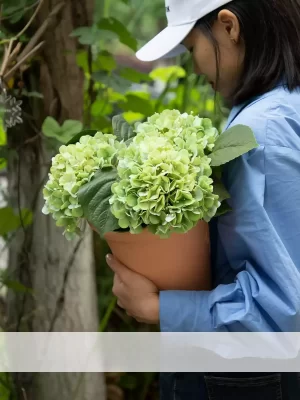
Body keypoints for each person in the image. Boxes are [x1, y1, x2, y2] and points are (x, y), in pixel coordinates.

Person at [105, 0, 300, 398]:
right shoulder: (284, 106)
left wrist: (160, 308)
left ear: (229, 26)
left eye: (193, 47)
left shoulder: (259, 132)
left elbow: (286, 311)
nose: (194, 68)